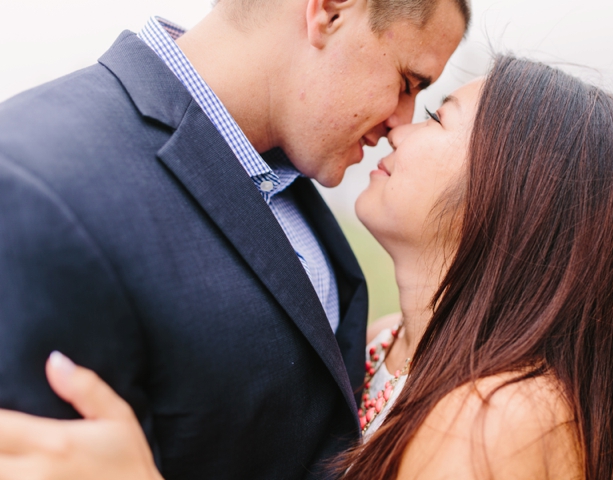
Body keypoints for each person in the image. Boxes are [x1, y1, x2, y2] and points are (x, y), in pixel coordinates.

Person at [0, 56, 613, 479]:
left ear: (513, 191)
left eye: (440, 116)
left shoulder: (499, 417)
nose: (400, 124)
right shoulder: (390, 344)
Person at [0, 0, 469, 478]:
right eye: (408, 83)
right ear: (329, 13)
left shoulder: (290, 175)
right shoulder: (31, 181)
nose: (402, 123)